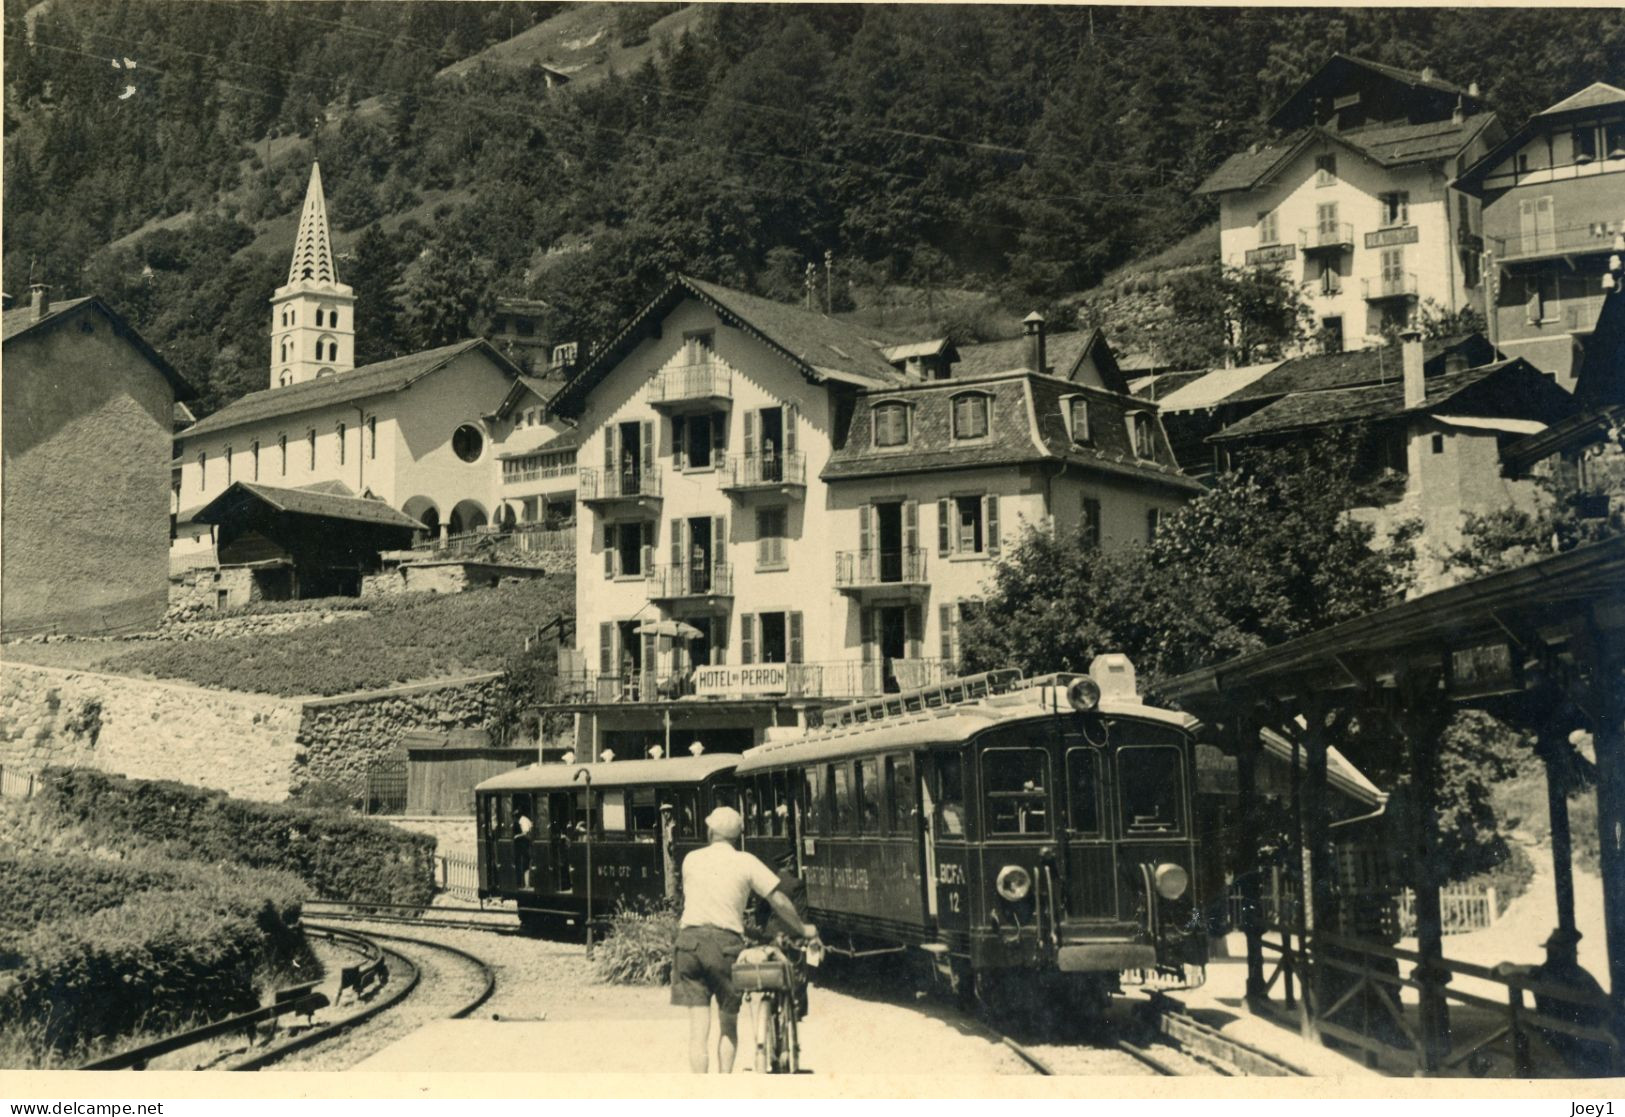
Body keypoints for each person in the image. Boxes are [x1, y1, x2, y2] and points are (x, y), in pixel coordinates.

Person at [672, 806, 816, 1074]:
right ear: (738, 835)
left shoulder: (690, 859)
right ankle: (724, 1085)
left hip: (688, 944)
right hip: (725, 945)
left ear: (711, 830)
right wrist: (803, 927)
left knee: (697, 1031)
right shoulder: (746, 861)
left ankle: (701, 1094)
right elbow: (778, 899)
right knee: (728, 1025)